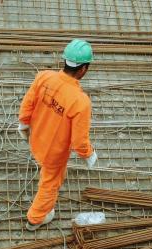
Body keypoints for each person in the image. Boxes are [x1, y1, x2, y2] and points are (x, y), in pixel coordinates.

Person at [18, 39, 98, 231]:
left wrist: (24, 124)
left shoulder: (44, 77)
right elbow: (79, 141)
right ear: (83, 69)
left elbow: (28, 103)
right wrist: (88, 154)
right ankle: (35, 218)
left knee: (51, 173)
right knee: (50, 183)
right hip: (54, 153)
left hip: (36, 138)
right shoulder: (81, 102)